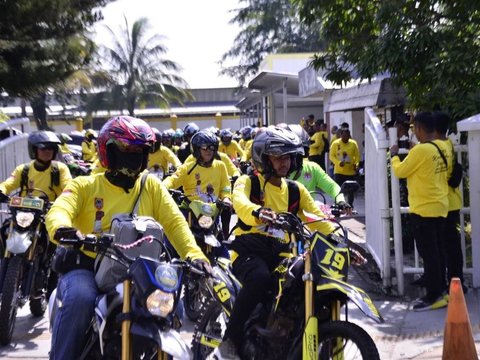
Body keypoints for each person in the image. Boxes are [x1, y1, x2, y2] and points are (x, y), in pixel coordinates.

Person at [45, 116, 210, 360]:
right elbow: (60, 209)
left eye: (139, 151)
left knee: (173, 306)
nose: (133, 156)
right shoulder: (86, 184)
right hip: (88, 265)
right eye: (126, 150)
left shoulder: (151, 186)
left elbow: (175, 223)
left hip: (138, 268)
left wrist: (195, 256)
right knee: (80, 299)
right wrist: (64, 229)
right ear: (108, 151)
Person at [209, 127, 335, 359]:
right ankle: (230, 340)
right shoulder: (249, 182)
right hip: (249, 252)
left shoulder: (297, 190)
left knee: (301, 284)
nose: (283, 162)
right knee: (260, 278)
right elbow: (240, 203)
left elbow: (318, 219)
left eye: (287, 157)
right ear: (264, 158)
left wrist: (340, 240)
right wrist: (258, 212)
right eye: (278, 157)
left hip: (281, 254)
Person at [390, 111, 449, 311]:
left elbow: (400, 171)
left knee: (429, 254)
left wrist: (394, 156)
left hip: (423, 209)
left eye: (414, 128)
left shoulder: (420, 151)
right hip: (440, 206)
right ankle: (442, 289)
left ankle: (433, 297)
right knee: (439, 252)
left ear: (420, 128)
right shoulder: (443, 146)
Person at [433, 111, 466, 293]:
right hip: (452, 201)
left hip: (442, 203)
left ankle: (451, 282)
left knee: (444, 247)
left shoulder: (436, 146)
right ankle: (457, 280)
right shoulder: (449, 144)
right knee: (452, 246)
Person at [285, 124, 351, 213]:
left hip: (309, 219)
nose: (296, 158)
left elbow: (331, 186)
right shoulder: (273, 173)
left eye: (301, 153)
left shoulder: (312, 168)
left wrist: (340, 201)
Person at [0, 131, 72, 202]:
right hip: (24, 211)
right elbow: (7, 185)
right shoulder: (22, 169)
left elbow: (68, 186)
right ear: (34, 150)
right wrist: (1, 191)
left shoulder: (60, 168)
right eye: (43, 148)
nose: (47, 151)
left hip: (52, 211)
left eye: (50, 148)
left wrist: (67, 196)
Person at [329, 127, 360, 207]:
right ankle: (339, 204)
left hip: (350, 171)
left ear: (349, 136)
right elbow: (331, 156)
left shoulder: (353, 143)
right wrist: (338, 163)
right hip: (339, 171)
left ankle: (350, 205)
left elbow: (357, 156)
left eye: (347, 136)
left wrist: (356, 165)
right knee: (338, 189)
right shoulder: (335, 143)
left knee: (350, 190)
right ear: (340, 135)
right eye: (344, 136)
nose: (345, 138)